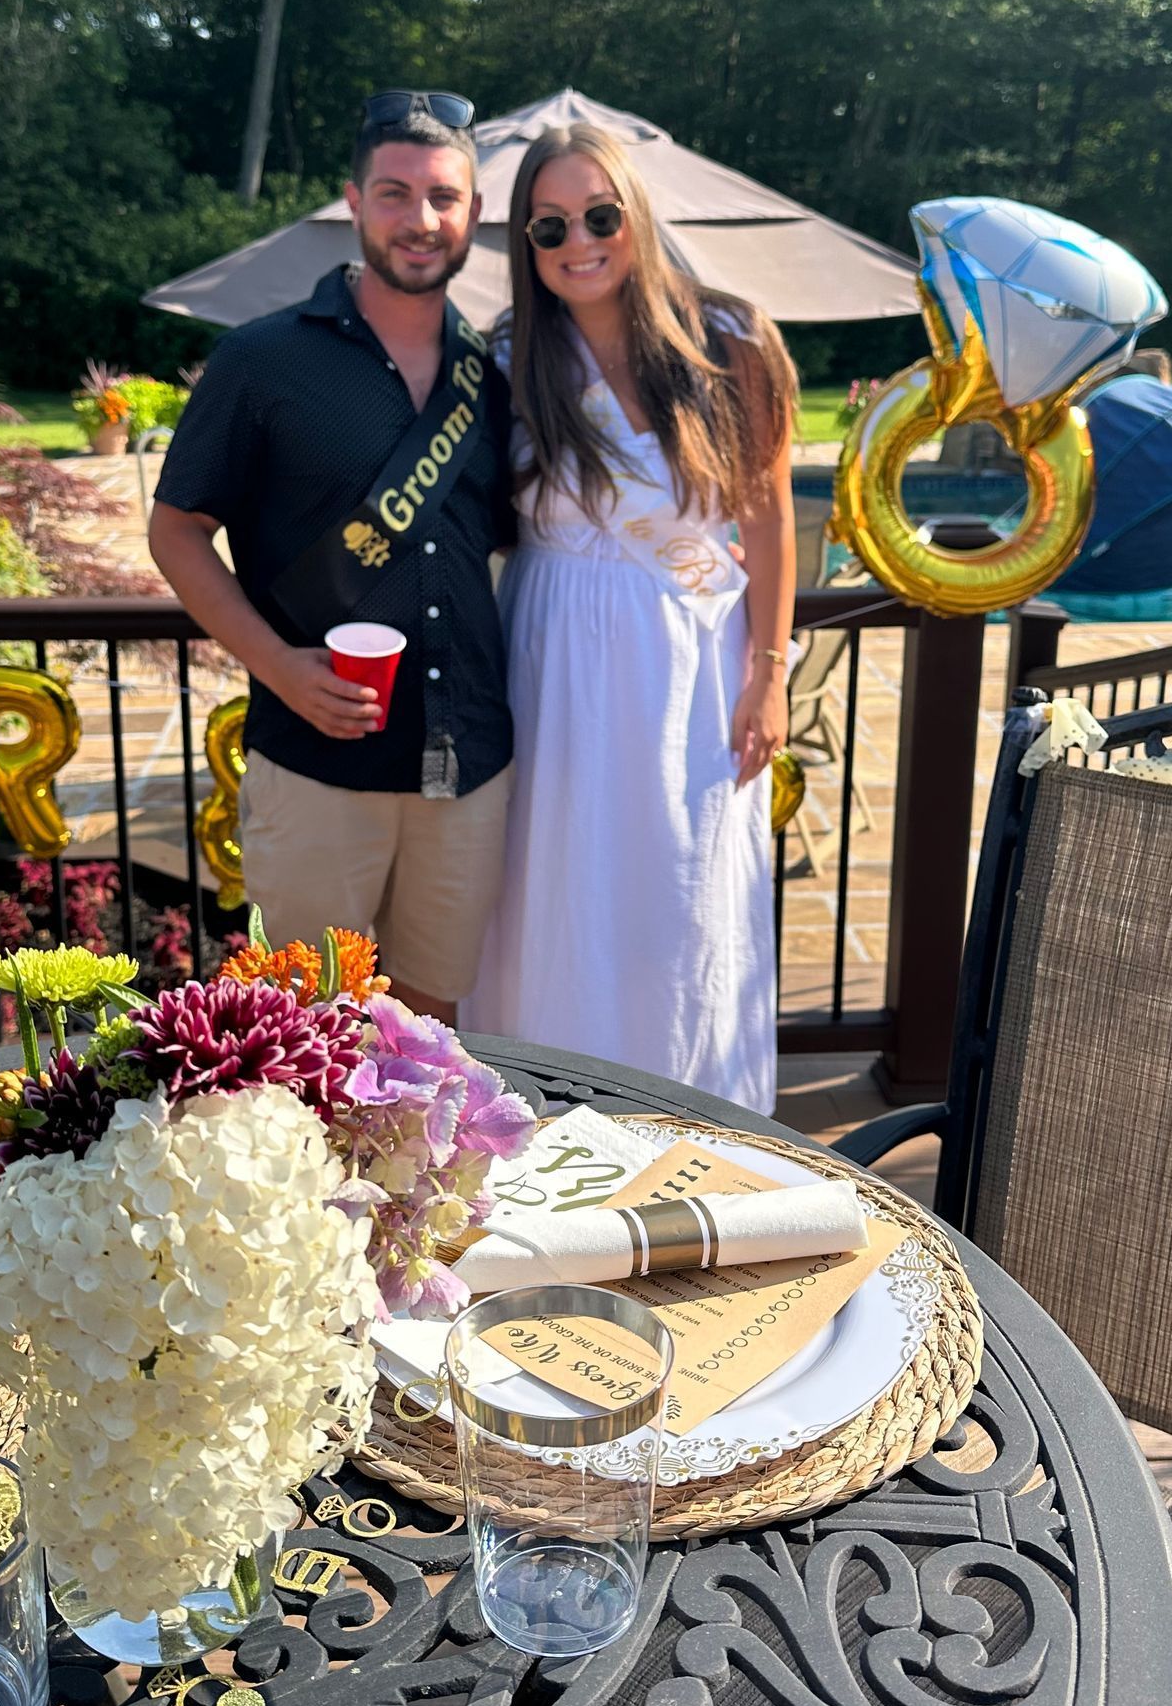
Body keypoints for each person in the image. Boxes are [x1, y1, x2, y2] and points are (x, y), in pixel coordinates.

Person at [149, 91, 515, 1023]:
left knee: (432, 1033)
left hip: (465, 766)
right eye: (395, 194)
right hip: (315, 763)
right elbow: (176, 529)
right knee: (303, 1028)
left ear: (473, 213)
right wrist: (276, 665)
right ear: (352, 203)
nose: (420, 220)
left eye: (444, 198)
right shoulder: (263, 360)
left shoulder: (497, 376)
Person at [467, 120, 798, 1108]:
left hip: (690, 660)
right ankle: (540, 1124)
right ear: (526, 244)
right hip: (548, 655)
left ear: (636, 214)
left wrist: (769, 671)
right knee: (550, 892)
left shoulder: (730, 342)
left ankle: (688, 1121)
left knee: (681, 892)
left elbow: (771, 517)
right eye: (549, 225)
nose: (579, 241)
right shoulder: (506, 358)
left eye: (600, 214)